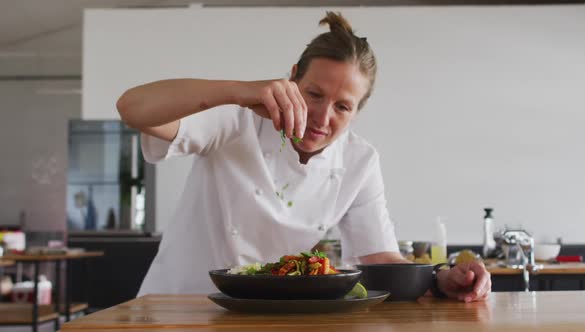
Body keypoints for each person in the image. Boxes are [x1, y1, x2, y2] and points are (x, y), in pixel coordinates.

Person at [117, 12, 491, 302]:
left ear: (359, 111)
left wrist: (441, 278)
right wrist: (240, 90)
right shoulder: (237, 118)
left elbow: (379, 259)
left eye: (343, 106)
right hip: (178, 306)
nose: (322, 118)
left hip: (267, 314)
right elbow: (132, 108)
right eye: (314, 94)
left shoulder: (359, 161)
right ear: (292, 78)